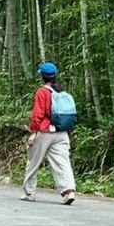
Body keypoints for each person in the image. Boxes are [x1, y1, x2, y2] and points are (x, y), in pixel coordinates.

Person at [22, 60, 76, 205]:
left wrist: (33, 132)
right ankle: (68, 191)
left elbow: (38, 114)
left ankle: (29, 192)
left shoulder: (42, 92)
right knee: (63, 162)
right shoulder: (61, 91)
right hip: (62, 132)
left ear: (42, 76)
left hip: (45, 131)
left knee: (33, 161)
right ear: (54, 76)